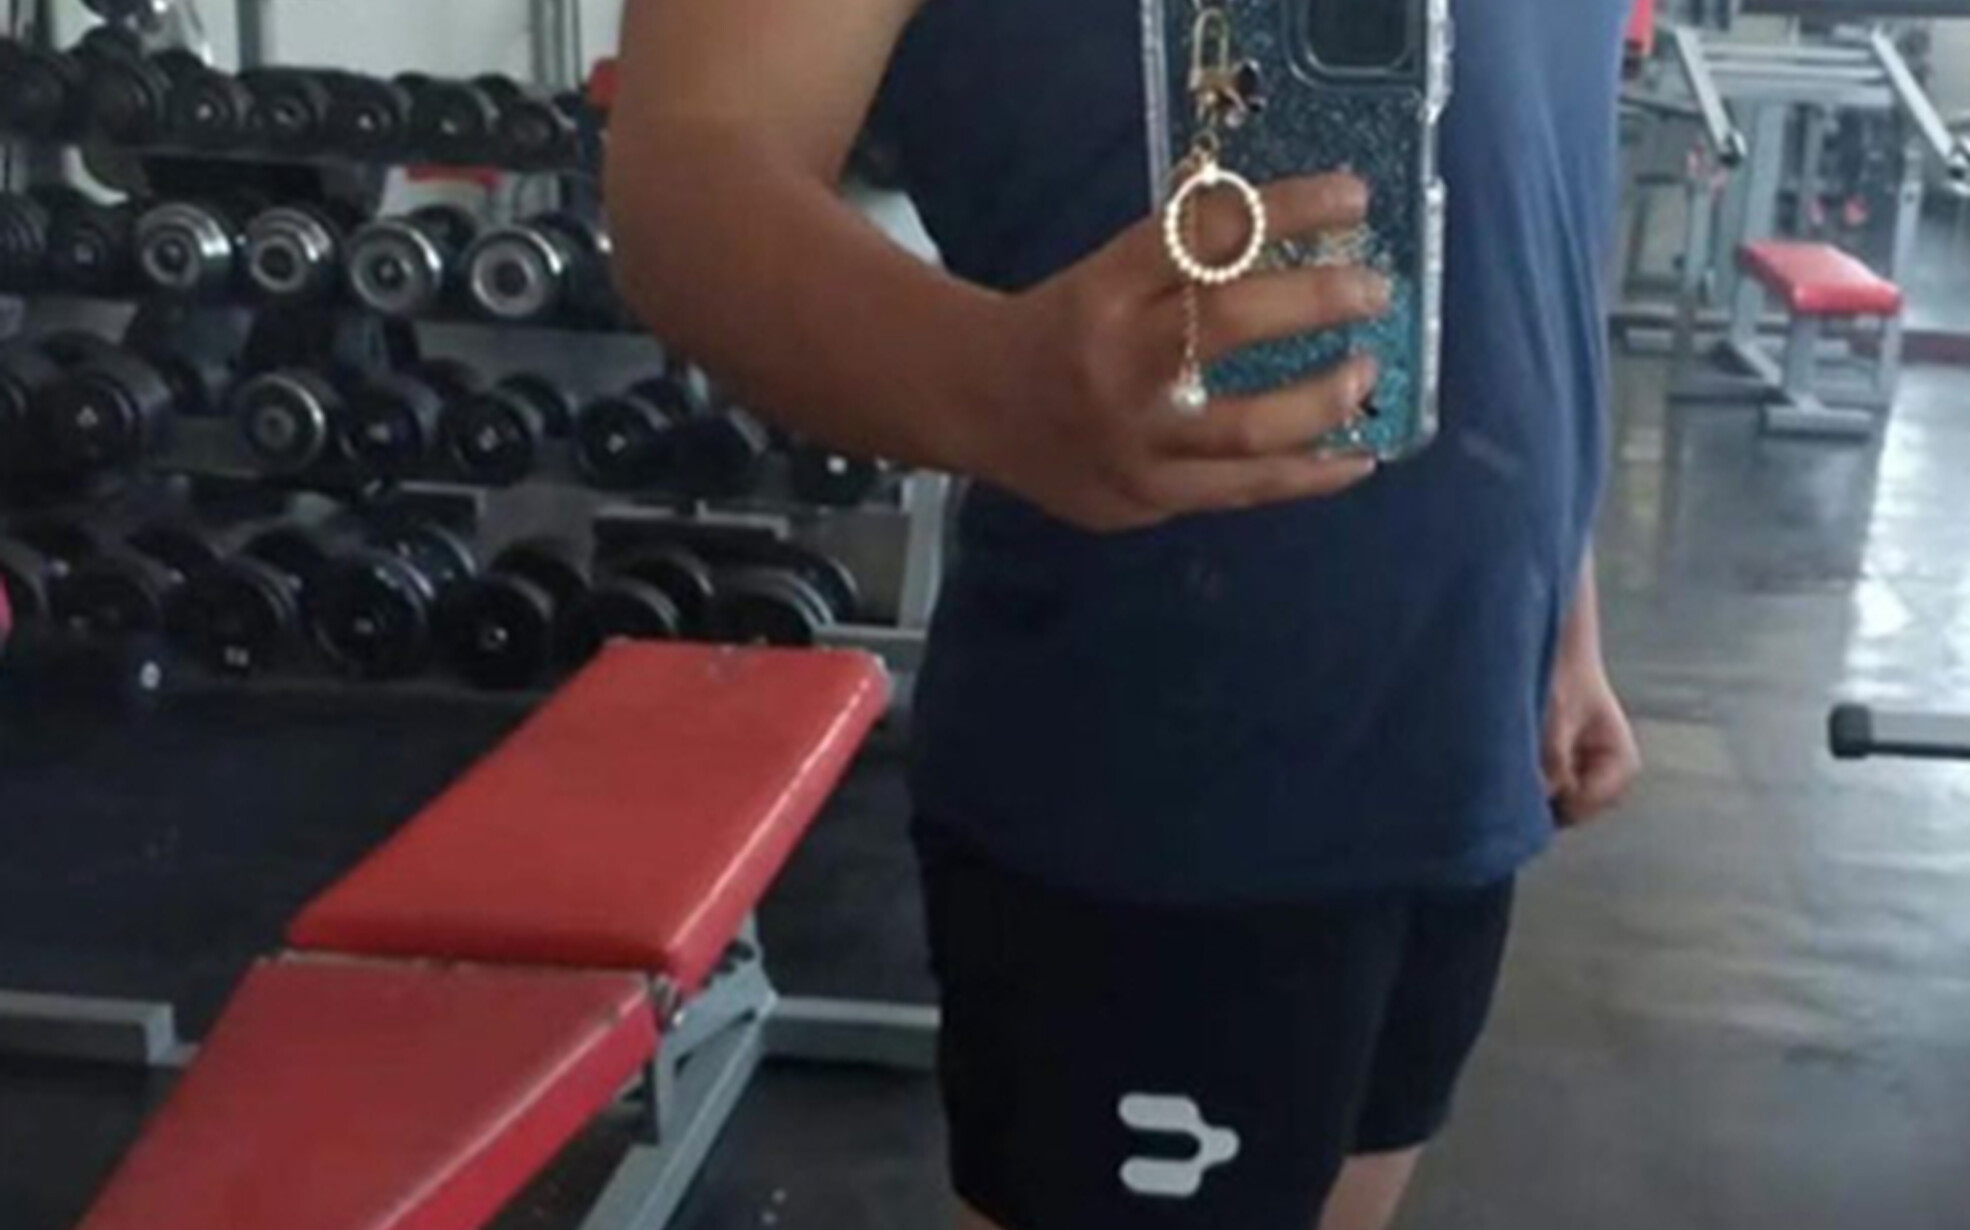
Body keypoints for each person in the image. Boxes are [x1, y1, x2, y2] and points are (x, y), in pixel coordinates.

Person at [607, 3, 1639, 1229]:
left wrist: (1563, 603)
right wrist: (994, 382)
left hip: (1459, 722)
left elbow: (1527, 172)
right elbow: (692, 171)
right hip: (1172, 764)